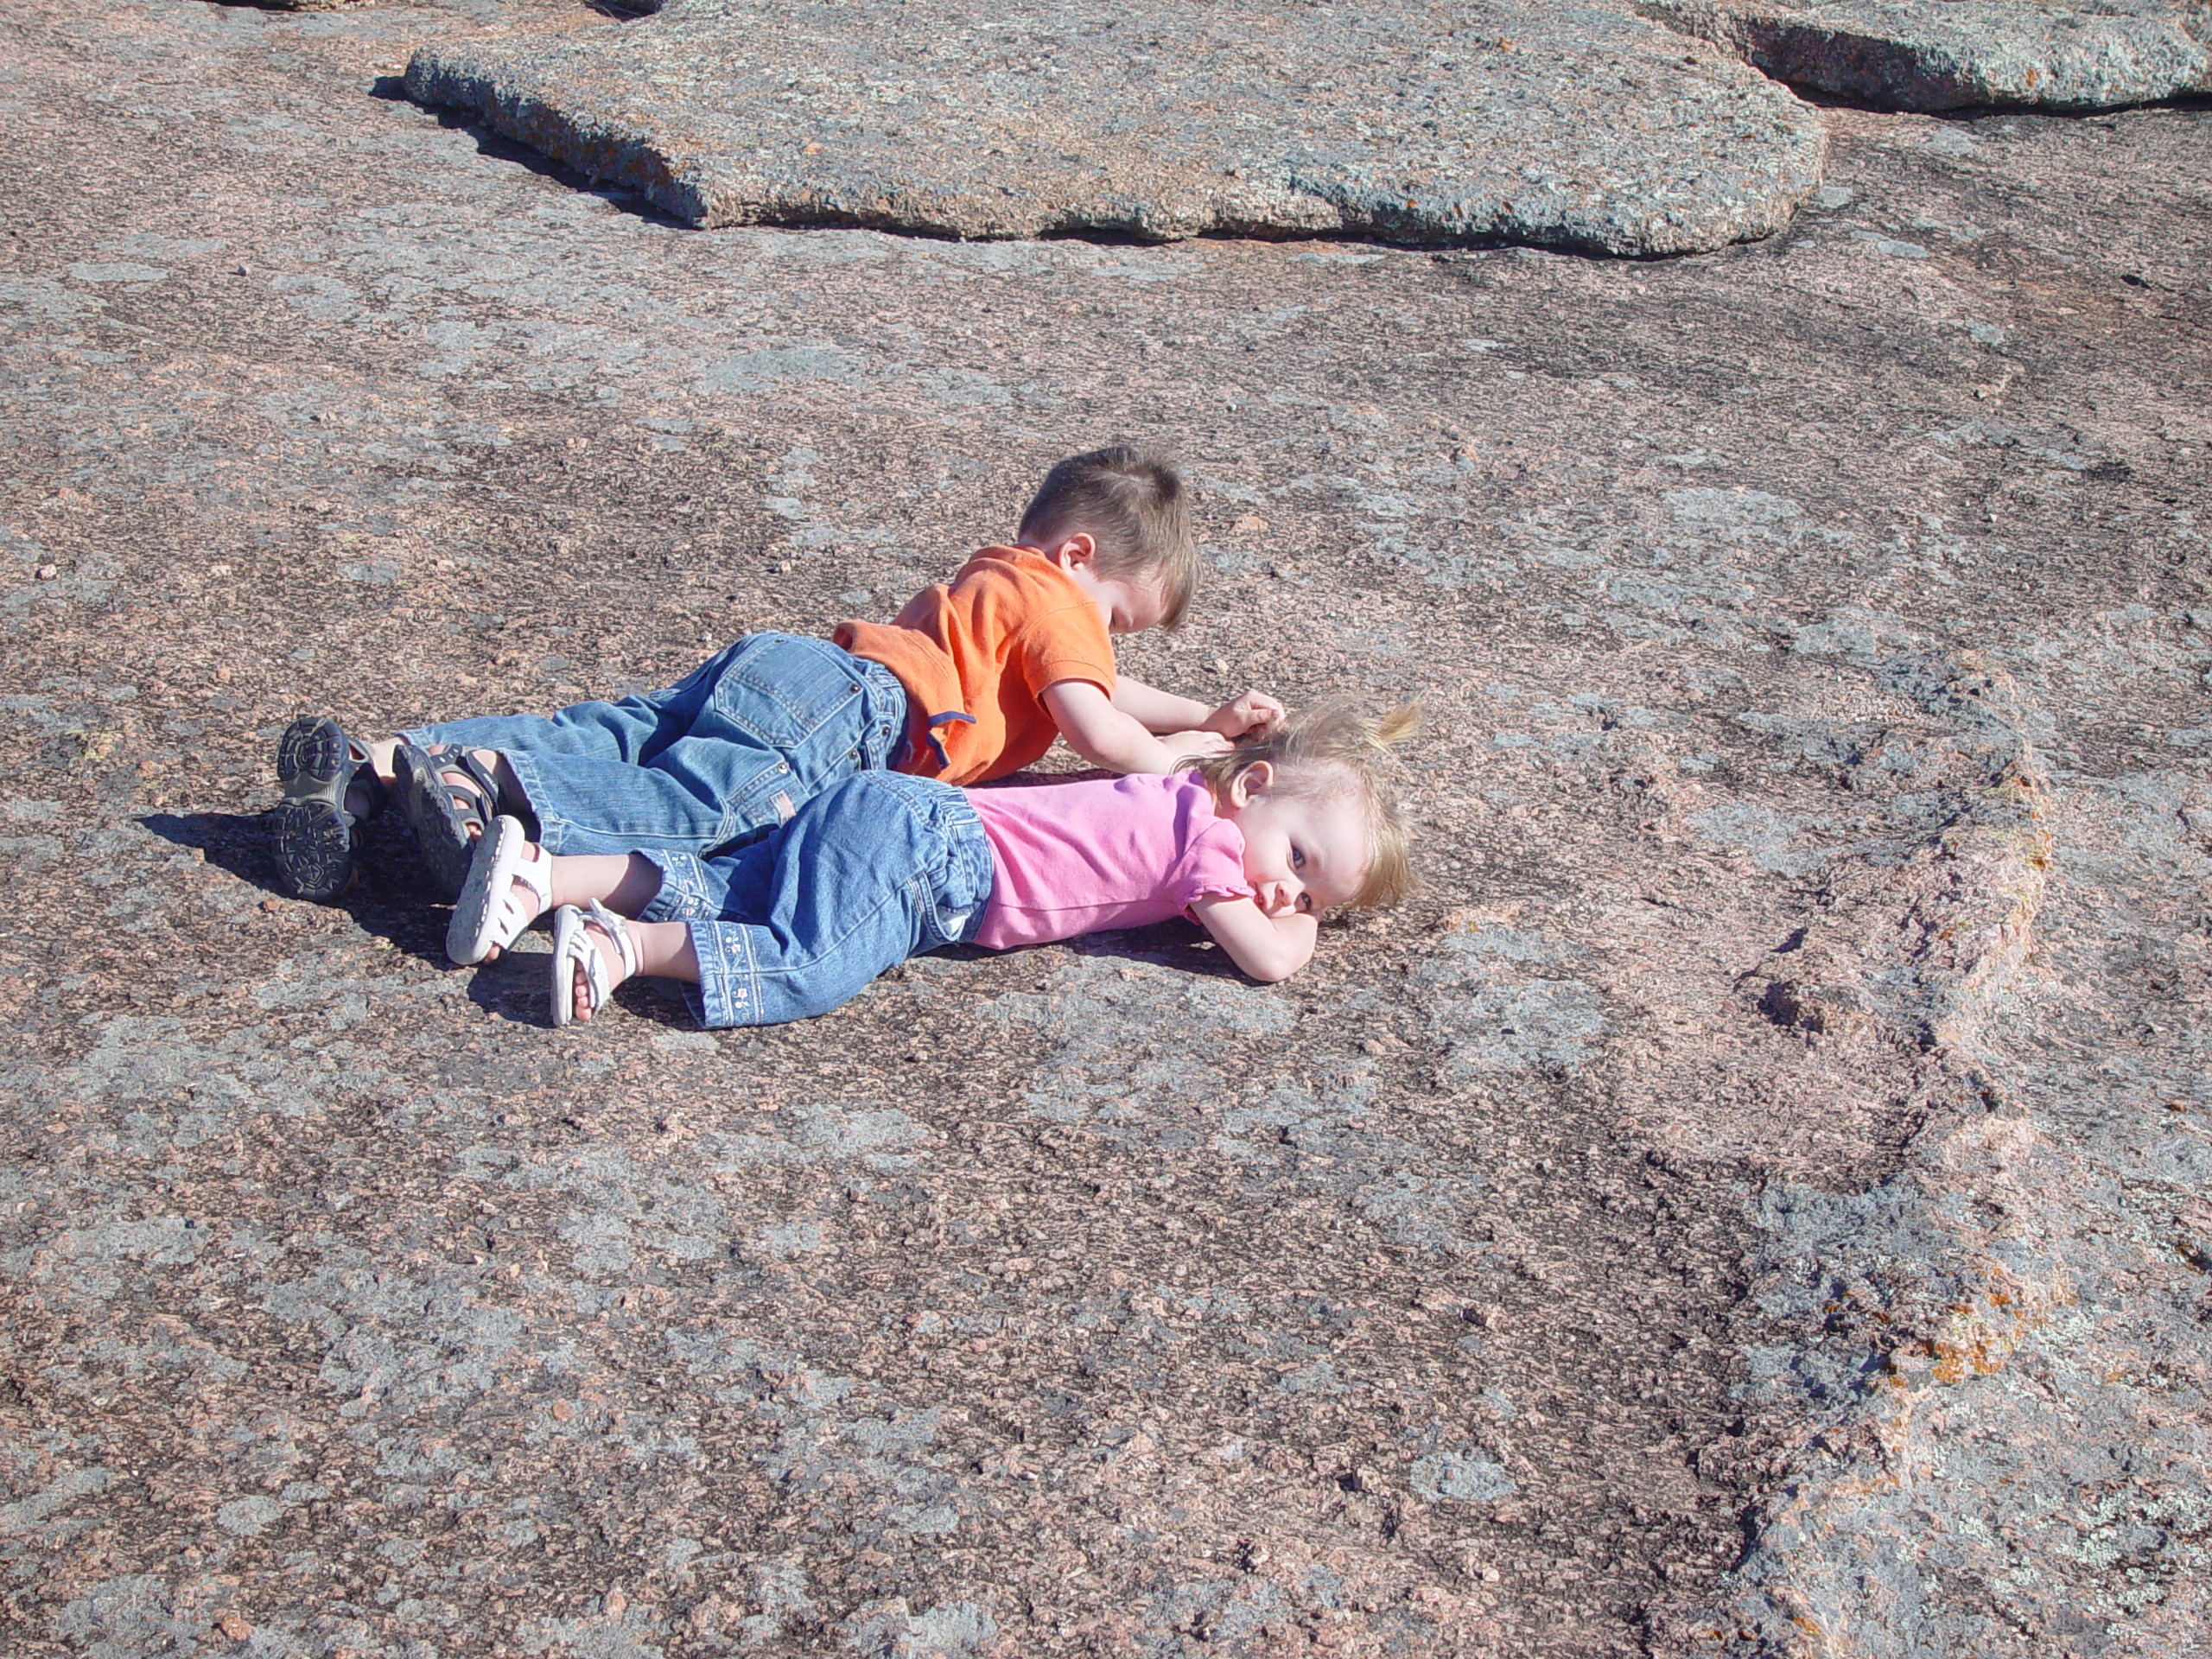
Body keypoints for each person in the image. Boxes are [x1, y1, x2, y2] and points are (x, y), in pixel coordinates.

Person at [266, 446, 1284, 902]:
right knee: (689, 805)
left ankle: (381, 765)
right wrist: (1188, 760)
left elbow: (1100, 688)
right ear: (1075, 558)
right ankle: (480, 784)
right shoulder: (1058, 604)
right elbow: (1101, 729)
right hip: (861, 718)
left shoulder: (1010, 586)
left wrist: (1204, 708)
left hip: (799, 666)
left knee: (623, 729)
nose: (1107, 641)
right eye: (1118, 617)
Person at [438, 702, 1415, 1027]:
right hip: (936, 859)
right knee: (808, 962)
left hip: (900, 810)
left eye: (1310, 892)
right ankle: (622, 947)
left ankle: (546, 877)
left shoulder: (1179, 792)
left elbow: (1171, 741)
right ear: (1248, 791)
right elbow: (1268, 960)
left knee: (748, 890)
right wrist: (1300, 927)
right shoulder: (1207, 846)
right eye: (1297, 862)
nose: (1284, 890)